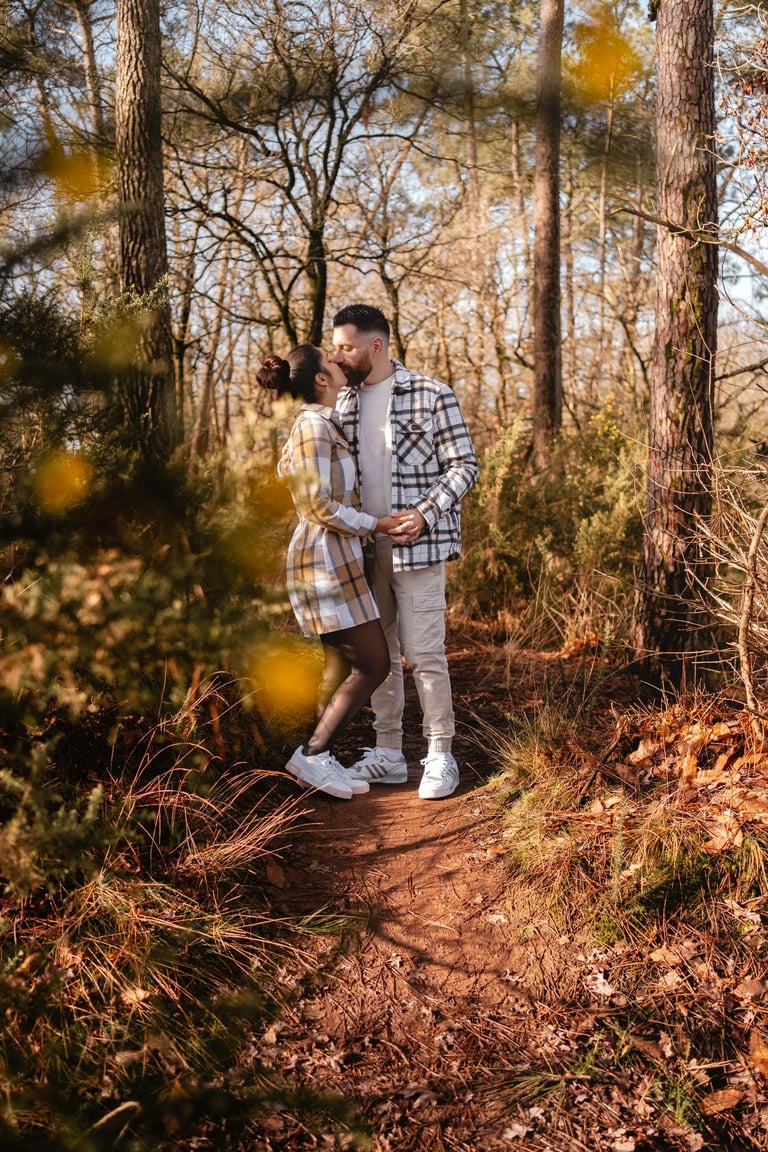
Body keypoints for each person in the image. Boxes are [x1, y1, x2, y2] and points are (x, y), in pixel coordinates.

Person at [331, 304, 478, 800]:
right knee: (381, 656)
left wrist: (424, 513)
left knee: (424, 653)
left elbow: (464, 465)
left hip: (419, 547)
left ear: (375, 346)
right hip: (361, 551)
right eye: (335, 347)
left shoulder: (432, 394)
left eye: (346, 347)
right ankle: (389, 753)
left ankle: (440, 753)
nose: (338, 356)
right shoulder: (342, 402)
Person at [257, 344, 408, 800]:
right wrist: (376, 524)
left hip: (338, 557)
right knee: (375, 663)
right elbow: (316, 506)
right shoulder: (313, 427)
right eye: (330, 359)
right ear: (321, 379)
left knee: (340, 663)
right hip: (323, 562)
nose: (339, 361)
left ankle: (323, 757)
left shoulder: (323, 422)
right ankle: (313, 754)